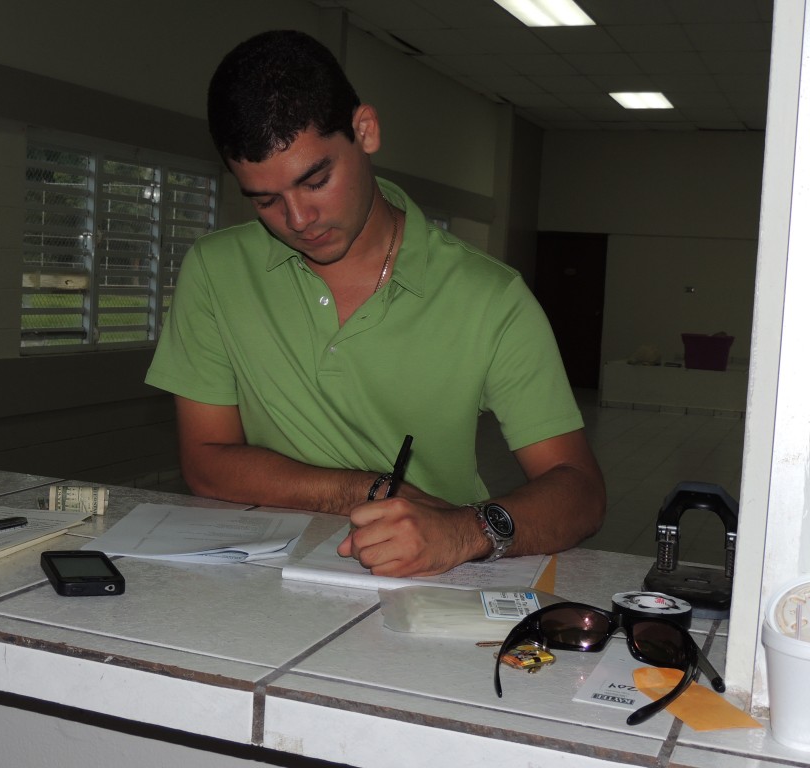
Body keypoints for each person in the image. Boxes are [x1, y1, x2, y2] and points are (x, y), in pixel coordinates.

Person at [145, 29, 605, 578]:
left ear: (365, 130)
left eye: (316, 180)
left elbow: (579, 490)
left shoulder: (491, 297)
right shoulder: (216, 271)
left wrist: (463, 531)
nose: (297, 220)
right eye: (265, 200)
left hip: (428, 582)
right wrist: (371, 490)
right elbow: (207, 461)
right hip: (264, 580)